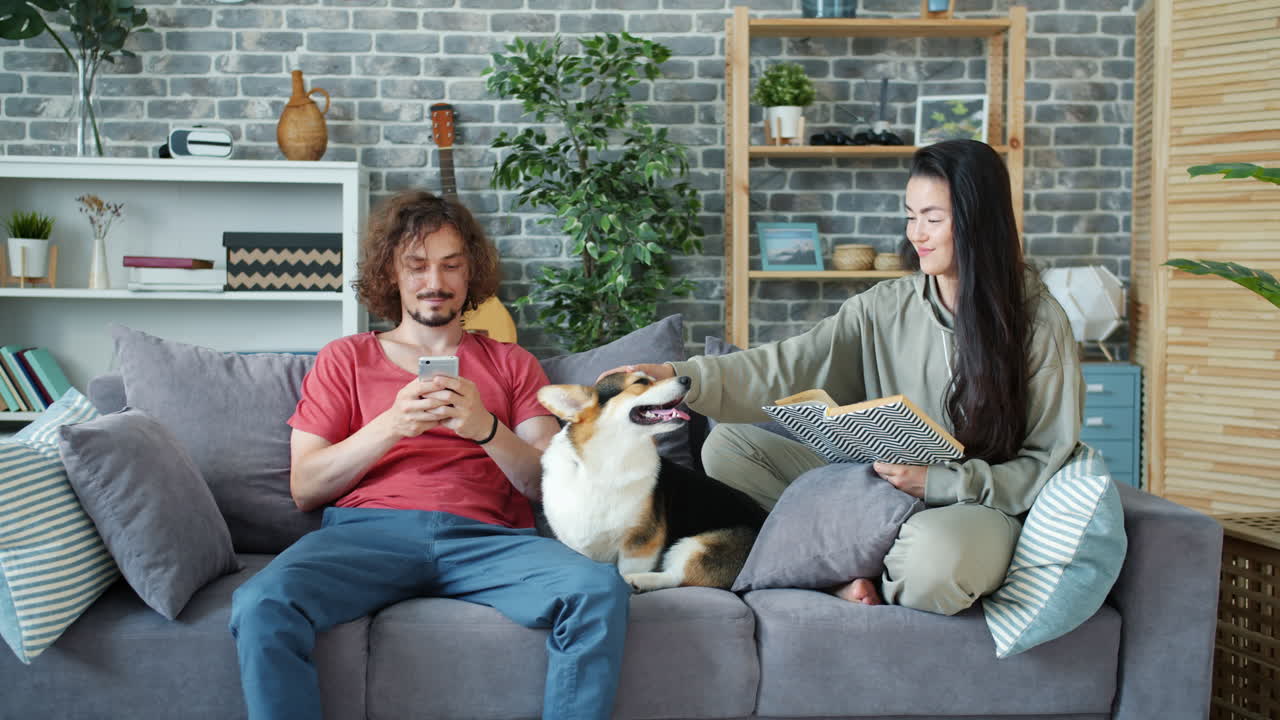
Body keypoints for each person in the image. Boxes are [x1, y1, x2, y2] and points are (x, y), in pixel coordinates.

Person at [607, 139, 1083, 616]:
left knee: (936, 562)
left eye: (933, 219)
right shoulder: (883, 305)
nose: (917, 233)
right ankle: (851, 568)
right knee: (729, 445)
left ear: (981, 223)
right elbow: (789, 364)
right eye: (910, 216)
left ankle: (845, 569)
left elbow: (1044, 462)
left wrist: (938, 484)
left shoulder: (1039, 323)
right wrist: (678, 374)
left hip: (971, 510)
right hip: (878, 491)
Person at [229, 190, 631, 720]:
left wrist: (485, 428)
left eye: (451, 266)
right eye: (417, 266)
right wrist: (392, 425)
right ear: (390, 273)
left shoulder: (512, 363)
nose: (435, 283)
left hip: (489, 540)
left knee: (598, 589)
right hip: (366, 535)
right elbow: (306, 486)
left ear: (471, 275)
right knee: (260, 604)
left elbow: (545, 483)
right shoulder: (346, 358)